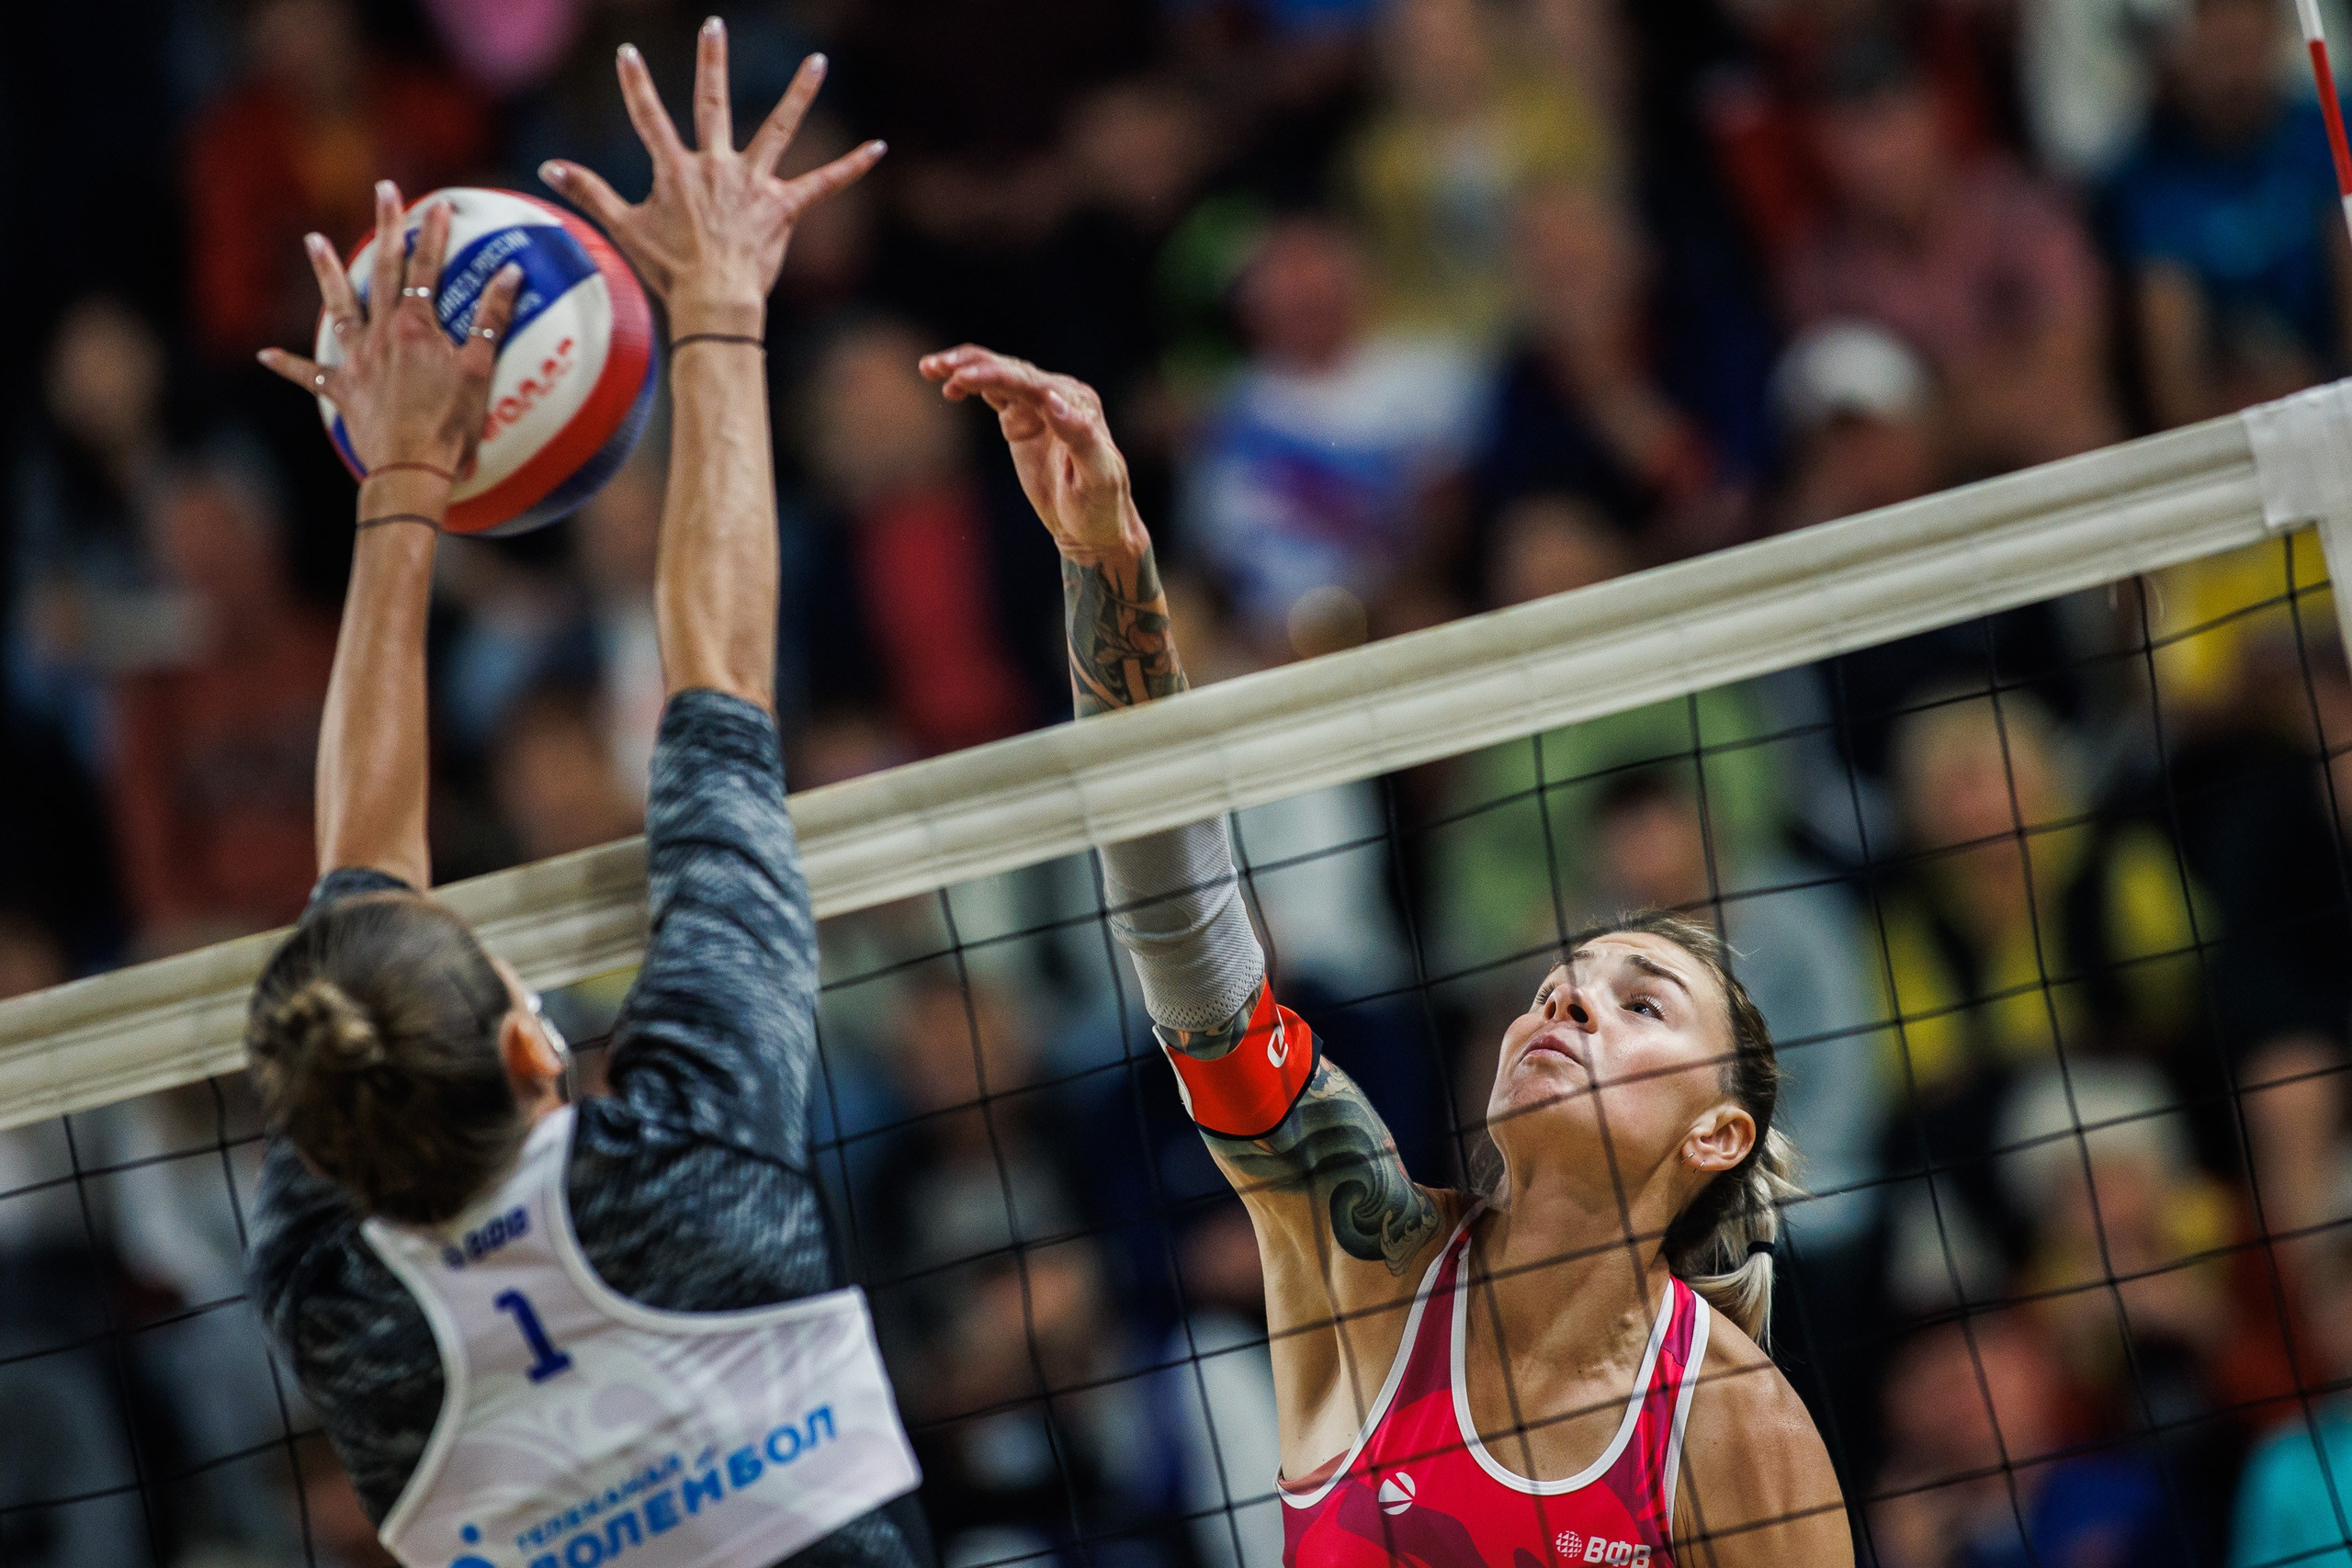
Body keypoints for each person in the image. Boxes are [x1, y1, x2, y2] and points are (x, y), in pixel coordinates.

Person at [920, 344, 1851, 1562]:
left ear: (1716, 1134)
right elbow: (1197, 971)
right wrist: (1110, 561)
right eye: (1562, 982)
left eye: (1642, 1002)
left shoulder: (1735, 1425)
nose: (1568, 1000)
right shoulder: (1363, 1253)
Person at [241, 25, 924, 1568]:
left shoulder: (333, 1306)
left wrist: (403, 472)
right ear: (523, 1044)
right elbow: (722, 710)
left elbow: (367, 896)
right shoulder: (686, 1178)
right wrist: (723, 306)